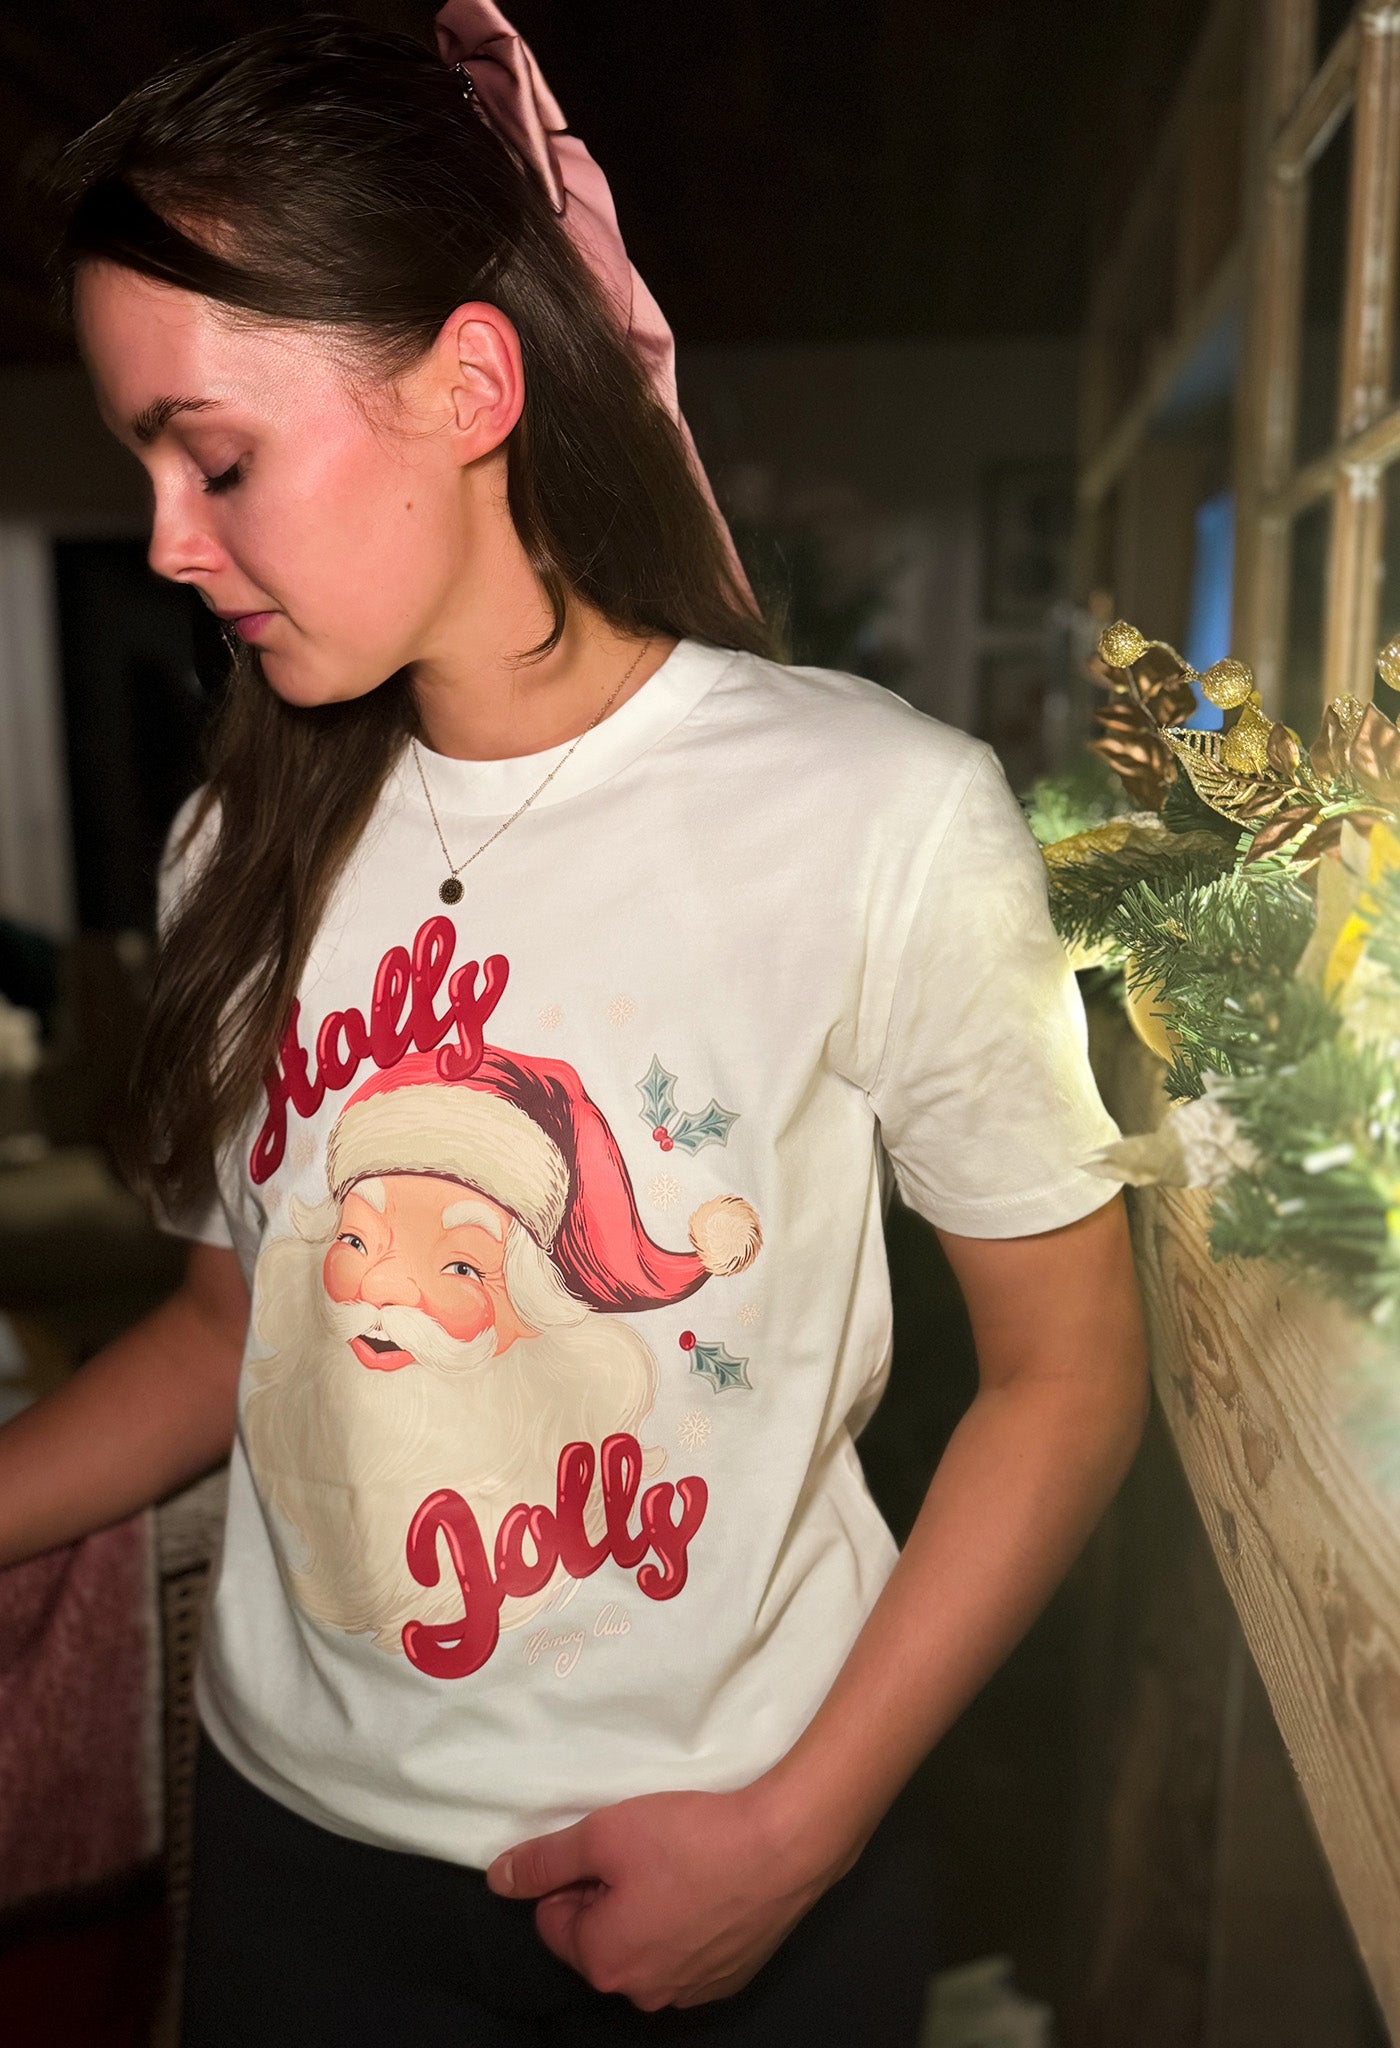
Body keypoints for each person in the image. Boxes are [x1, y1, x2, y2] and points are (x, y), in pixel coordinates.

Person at [1, 5, 1150, 2042]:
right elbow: (224, 1325)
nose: (169, 540)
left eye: (218, 456)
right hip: (297, 1868)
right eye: (144, 467)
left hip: (748, 1864)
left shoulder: (877, 814)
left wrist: (798, 1831)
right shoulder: (229, 840)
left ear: (469, 384)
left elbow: (1065, 1385)